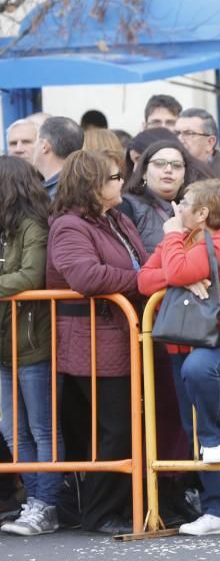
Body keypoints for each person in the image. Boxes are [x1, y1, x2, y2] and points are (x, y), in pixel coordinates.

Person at [138, 179, 220, 536]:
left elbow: (177, 270)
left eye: (185, 202)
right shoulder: (185, 240)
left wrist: (173, 243)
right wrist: (177, 279)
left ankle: (214, 446)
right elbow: (145, 280)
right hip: (184, 340)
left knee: (202, 383)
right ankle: (219, 511)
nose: (178, 207)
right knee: (189, 425)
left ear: (202, 212)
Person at [47, 150, 148, 535]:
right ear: (92, 186)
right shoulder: (70, 225)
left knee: (122, 426)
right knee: (113, 429)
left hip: (118, 335)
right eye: (112, 178)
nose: (120, 182)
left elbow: (140, 261)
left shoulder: (117, 218)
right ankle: (101, 513)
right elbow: (86, 277)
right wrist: (143, 283)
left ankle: (117, 507)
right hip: (90, 342)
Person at [0, 157, 59, 536]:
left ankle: (45, 504)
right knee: (11, 430)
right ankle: (36, 501)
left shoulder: (33, 224)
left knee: (42, 430)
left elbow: (30, 275)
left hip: (33, 342)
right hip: (5, 344)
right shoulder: (6, 228)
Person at [119, 140, 214, 254]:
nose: (168, 170)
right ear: (144, 172)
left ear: (184, 175)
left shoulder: (196, 207)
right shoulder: (126, 207)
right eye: (159, 163)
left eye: (177, 165)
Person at [32, 116, 84, 199]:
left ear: (44, 146)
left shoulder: (53, 196)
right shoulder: (85, 185)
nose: (33, 146)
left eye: (35, 141)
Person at [175, 108, 220, 178]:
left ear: (210, 142)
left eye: (188, 133)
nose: (180, 139)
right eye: (177, 133)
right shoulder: (171, 173)